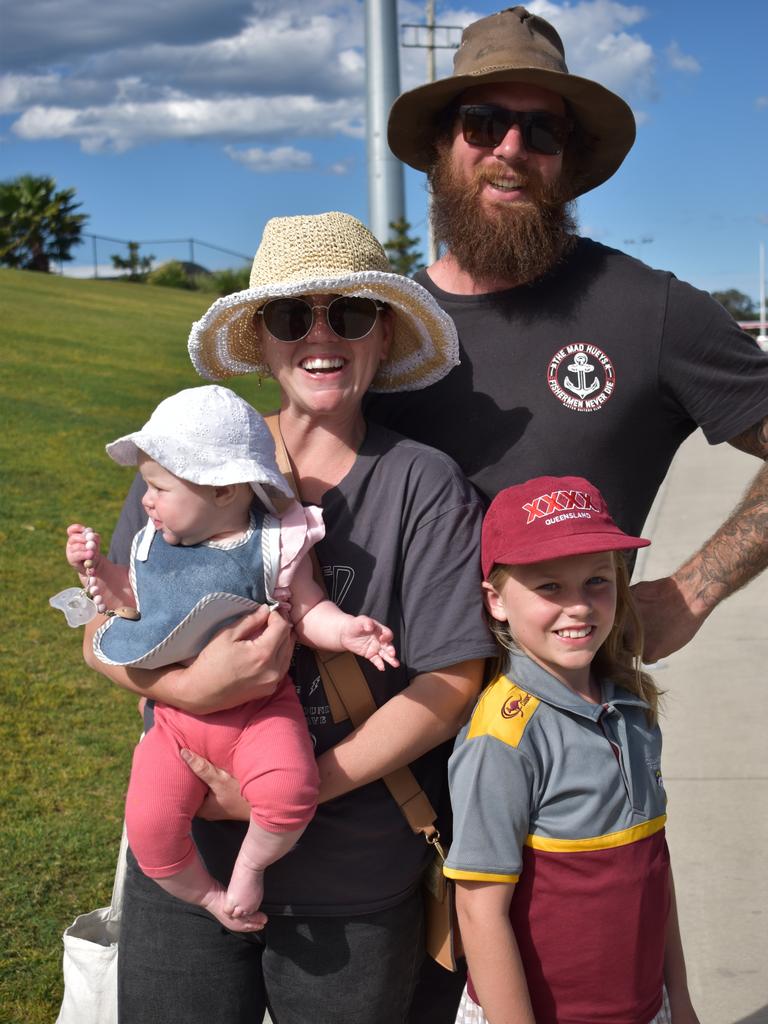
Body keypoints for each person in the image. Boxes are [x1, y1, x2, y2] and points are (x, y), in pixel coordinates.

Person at [83, 212, 497, 1023]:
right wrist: (198, 688)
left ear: (382, 337)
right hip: (184, 856)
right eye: (288, 316)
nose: (320, 337)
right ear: (261, 342)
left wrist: (298, 790)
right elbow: (107, 626)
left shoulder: (423, 484)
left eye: (348, 314)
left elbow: (452, 681)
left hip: (351, 879)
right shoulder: (184, 452)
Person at [369, 4, 768, 666]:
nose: (512, 150)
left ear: (568, 158)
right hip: (389, 741)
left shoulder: (650, 310)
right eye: (483, 123)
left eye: (543, 132)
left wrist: (696, 588)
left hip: (568, 746)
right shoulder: (376, 328)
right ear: (443, 144)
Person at [62, 383, 402, 932]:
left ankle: (250, 866)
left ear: (224, 490)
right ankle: (205, 898)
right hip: (172, 724)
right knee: (149, 827)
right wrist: (98, 570)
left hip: (260, 713)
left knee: (291, 793)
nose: (145, 501)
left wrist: (348, 633)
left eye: (159, 487)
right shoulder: (156, 542)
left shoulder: (274, 544)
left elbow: (309, 612)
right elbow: (129, 603)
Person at [445, 476, 699, 1024]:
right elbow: (478, 908)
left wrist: (679, 1001)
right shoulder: (503, 737)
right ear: (497, 602)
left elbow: (653, 869)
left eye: (596, 581)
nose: (579, 607)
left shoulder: (631, 706)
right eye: (550, 588)